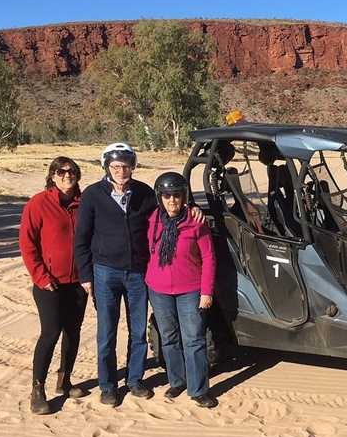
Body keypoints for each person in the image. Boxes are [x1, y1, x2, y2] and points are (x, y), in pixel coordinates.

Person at [74, 143, 204, 407]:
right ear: (107, 167)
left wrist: (194, 208)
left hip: (137, 273)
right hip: (105, 272)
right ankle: (108, 385)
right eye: (116, 166)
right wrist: (86, 275)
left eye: (126, 166)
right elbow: (81, 239)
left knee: (138, 332)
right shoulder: (92, 195)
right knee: (107, 332)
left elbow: (171, 208)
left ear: (133, 166)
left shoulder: (144, 193)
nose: (122, 171)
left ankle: (135, 380)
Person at [19, 156, 89, 415]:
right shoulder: (38, 203)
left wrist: (88, 275)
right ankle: (38, 389)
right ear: (52, 175)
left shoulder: (84, 203)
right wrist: (40, 276)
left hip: (78, 282)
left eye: (72, 171)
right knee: (50, 333)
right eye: (61, 171)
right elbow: (27, 244)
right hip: (49, 284)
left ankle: (65, 380)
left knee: (73, 331)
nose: (67, 175)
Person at [146, 172, 218, 408]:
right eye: (166, 196)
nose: (172, 200)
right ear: (160, 197)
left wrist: (206, 292)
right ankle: (177, 380)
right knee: (168, 337)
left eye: (176, 195)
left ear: (184, 196)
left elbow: (209, 258)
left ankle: (198, 389)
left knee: (194, 339)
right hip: (159, 289)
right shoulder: (153, 219)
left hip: (191, 289)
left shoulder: (196, 221)